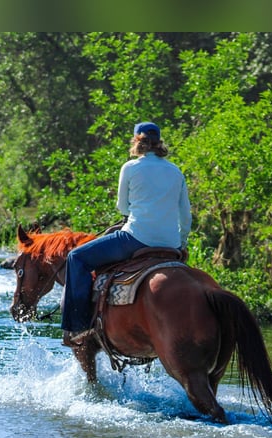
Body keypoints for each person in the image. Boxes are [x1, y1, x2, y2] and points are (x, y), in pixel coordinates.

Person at [61, 121, 192, 346]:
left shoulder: (130, 168)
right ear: (159, 142)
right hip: (170, 244)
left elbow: (123, 208)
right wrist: (179, 243)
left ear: (136, 141)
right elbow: (186, 216)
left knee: (76, 258)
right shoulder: (175, 171)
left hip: (134, 238)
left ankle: (78, 328)